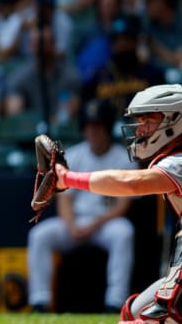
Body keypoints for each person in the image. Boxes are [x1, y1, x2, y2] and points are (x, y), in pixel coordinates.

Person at [53, 84, 182, 324]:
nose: (140, 128)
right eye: (140, 119)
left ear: (173, 121)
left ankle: (173, 313)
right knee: (134, 314)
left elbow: (130, 184)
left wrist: (66, 179)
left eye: (148, 119)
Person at [27, 99, 136, 313]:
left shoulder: (123, 158)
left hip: (105, 223)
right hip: (75, 223)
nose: (93, 131)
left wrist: (94, 226)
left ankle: (115, 302)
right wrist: (71, 226)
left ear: (107, 127)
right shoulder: (75, 154)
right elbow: (64, 200)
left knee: (124, 233)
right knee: (40, 234)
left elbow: (123, 206)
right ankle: (40, 301)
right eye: (89, 126)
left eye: (98, 126)